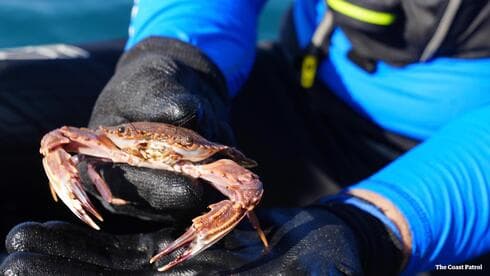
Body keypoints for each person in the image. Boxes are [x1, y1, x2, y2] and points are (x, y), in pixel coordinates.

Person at [1, 0, 489, 275]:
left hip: (452, 175)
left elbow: (246, 186)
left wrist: (370, 228)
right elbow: (58, 141)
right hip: (284, 82)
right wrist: (172, 56)